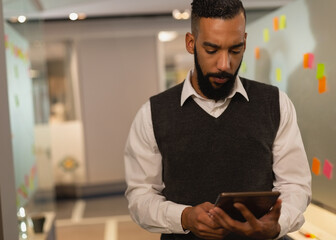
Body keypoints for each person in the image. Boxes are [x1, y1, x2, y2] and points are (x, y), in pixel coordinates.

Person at [124, 0, 311, 239]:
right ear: (191, 43)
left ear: (244, 41)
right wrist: (185, 217)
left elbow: (295, 185)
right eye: (212, 50)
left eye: (235, 50)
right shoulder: (152, 114)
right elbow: (140, 196)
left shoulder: (276, 103)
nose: (225, 65)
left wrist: (277, 224)